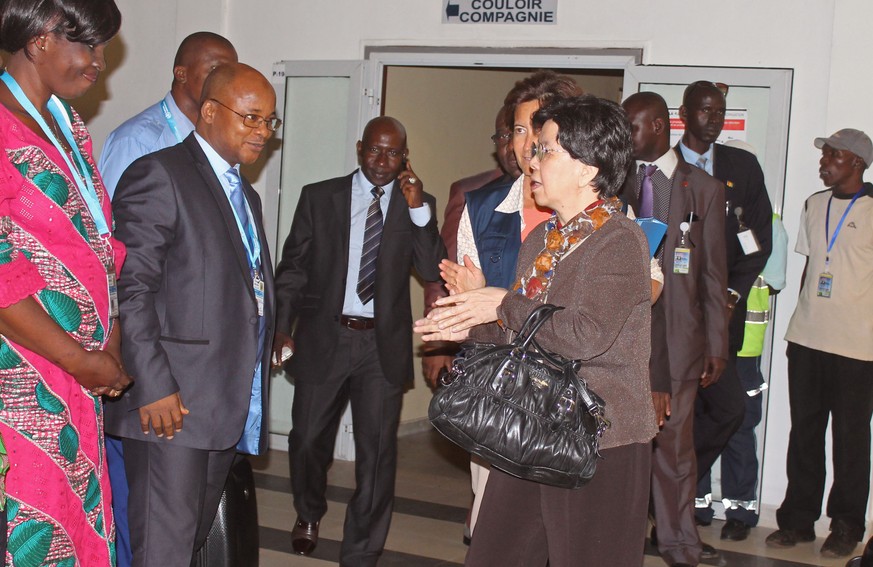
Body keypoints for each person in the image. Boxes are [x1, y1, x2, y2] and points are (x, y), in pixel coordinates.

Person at [417, 94, 658, 566]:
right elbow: (520, 337)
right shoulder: (543, 238)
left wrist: (502, 302)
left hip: (600, 439)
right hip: (528, 424)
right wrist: (467, 321)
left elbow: (584, 336)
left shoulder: (621, 241)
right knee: (495, 555)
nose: (532, 158)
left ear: (587, 168)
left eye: (546, 149)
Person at [105, 63, 277, 566]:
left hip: (220, 405)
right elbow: (130, 289)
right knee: (163, 551)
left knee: (187, 543)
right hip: (170, 408)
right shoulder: (159, 174)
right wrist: (153, 385)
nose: (262, 132)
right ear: (208, 112)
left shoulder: (245, 194)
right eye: (250, 118)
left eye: (269, 121)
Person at [272, 116, 445, 565]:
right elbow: (293, 268)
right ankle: (308, 511)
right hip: (323, 337)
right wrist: (282, 326)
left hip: (379, 348)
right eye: (374, 150)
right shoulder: (319, 197)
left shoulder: (416, 204)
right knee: (307, 439)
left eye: (393, 153)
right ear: (359, 148)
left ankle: (362, 549)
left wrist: (418, 209)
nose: (382, 161)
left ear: (404, 156)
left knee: (378, 454)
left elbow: (431, 269)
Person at [0, 1, 131, 565]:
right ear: (39, 40)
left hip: (78, 372)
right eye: (88, 46)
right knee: (35, 527)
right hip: (23, 379)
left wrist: (113, 329)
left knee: (79, 525)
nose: (99, 62)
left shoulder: (67, 122)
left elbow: (99, 241)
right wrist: (78, 359)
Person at [453, 71, 582, 540]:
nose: (525, 144)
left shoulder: (600, 208)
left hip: (571, 396)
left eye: (537, 129)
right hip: (501, 392)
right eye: (518, 129)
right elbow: (468, 304)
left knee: (560, 533)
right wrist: (471, 297)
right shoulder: (483, 205)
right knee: (495, 531)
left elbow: (645, 284)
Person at [621, 91, 728, 567]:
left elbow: (713, 275)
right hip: (621, 338)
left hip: (680, 341)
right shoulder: (612, 182)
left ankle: (680, 544)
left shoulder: (701, 187)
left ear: (659, 127)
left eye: (633, 127)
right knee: (620, 448)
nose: (625, 137)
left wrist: (717, 345)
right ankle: (615, 539)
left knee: (674, 450)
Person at [767, 128, 873, 559]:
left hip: (858, 346)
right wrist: (803, 319)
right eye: (824, 155)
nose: (823, 162)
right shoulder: (814, 204)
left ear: (856, 162)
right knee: (805, 432)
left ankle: (847, 526)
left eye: (832, 155)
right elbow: (813, 268)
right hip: (808, 338)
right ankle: (798, 520)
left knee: (850, 438)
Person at [677, 82, 773, 542]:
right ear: (684, 113)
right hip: (672, 321)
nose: (714, 119)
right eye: (706, 110)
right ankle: (679, 504)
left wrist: (733, 293)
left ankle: (676, 487)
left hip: (722, 320)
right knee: (677, 416)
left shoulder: (742, 167)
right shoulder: (661, 169)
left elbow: (758, 243)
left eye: (721, 112)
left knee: (730, 410)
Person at [422, 103, 520, 389]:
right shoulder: (473, 195)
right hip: (482, 350)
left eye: (518, 133)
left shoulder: (564, 197)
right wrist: (439, 344)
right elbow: (446, 269)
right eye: (502, 137)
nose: (511, 146)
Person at [99, 31, 237, 196]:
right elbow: (113, 218)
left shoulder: (220, 139)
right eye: (214, 70)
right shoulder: (136, 141)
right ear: (181, 74)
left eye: (230, 74)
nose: (224, 82)